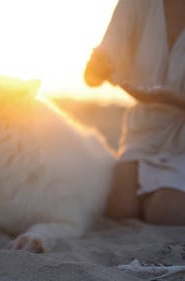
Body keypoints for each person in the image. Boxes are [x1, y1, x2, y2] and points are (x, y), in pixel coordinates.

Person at [84, 0, 185, 225]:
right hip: (143, 133)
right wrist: (97, 70)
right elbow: (92, 77)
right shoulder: (135, 4)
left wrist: (173, 100)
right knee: (118, 208)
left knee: (164, 210)